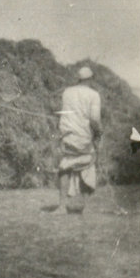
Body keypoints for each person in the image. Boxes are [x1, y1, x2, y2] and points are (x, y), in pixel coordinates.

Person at [56, 65, 102, 214]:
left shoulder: (67, 92)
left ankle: (62, 206)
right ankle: (86, 207)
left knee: (65, 166)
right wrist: (99, 132)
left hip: (68, 135)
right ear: (91, 79)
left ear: (79, 78)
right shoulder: (94, 95)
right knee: (88, 166)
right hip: (84, 137)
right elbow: (94, 119)